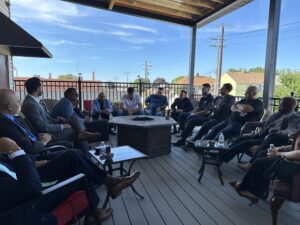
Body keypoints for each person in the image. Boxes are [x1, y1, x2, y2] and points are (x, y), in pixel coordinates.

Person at [0, 137, 140, 225]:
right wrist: (16, 150)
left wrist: (33, 161)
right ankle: (93, 213)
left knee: (73, 155)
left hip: (28, 174)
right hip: (35, 197)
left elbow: (6, 162)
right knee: (81, 175)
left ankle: (112, 183)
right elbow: (32, 191)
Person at [21, 78, 93, 154]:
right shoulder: (30, 104)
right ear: (38, 88)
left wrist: (56, 119)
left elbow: (45, 117)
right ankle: (86, 157)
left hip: (52, 124)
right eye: (41, 86)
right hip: (49, 135)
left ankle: (82, 133)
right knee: (75, 131)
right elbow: (42, 127)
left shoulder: (34, 100)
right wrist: (61, 126)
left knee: (73, 118)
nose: (42, 89)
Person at [220, 97, 300, 166]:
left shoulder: (293, 117)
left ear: (288, 106)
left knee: (245, 143)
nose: (279, 105)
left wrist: (276, 132)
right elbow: (266, 124)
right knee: (240, 138)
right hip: (261, 134)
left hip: (270, 138)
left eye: (281, 104)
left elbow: (290, 130)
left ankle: (221, 158)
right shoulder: (277, 113)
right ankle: (222, 156)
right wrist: (254, 123)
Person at [229, 133, 300, 205]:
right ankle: (256, 190)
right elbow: (293, 146)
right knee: (263, 153)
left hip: (294, 169)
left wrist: (279, 154)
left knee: (259, 163)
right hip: (290, 162)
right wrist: (279, 148)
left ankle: (249, 190)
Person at [0, 89, 71, 156]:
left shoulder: (11, 118)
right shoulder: (5, 124)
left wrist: (39, 135)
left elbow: (28, 132)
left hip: (38, 141)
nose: (20, 103)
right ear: (10, 107)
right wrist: (43, 142)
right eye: (18, 101)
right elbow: (30, 148)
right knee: (73, 154)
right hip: (37, 154)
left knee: (69, 145)